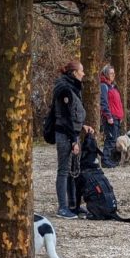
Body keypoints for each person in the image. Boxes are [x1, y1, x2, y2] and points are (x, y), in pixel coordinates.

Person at [50, 61, 95, 219]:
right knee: (63, 171)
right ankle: (63, 208)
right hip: (65, 135)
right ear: (74, 72)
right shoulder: (65, 90)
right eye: (81, 71)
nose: (84, 74)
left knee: (72, 170)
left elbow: (74, 113)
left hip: (73, 133)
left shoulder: (74, 88)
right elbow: (66, 118)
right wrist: (73, 141)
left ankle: (73, 205)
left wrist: (82, 126)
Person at [99, 65, 124, 168]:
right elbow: (103, 102)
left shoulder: (113, 86)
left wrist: (121, 116)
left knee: (116, 139)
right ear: (105, 74)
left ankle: (113, 160)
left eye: (114, 73)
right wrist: (108, 116)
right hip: (110, 117)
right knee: (110, 139)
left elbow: (117, 103)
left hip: (117, 117)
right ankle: (105, 161)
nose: (113, 75)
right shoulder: (103, 86)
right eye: (111, 73)